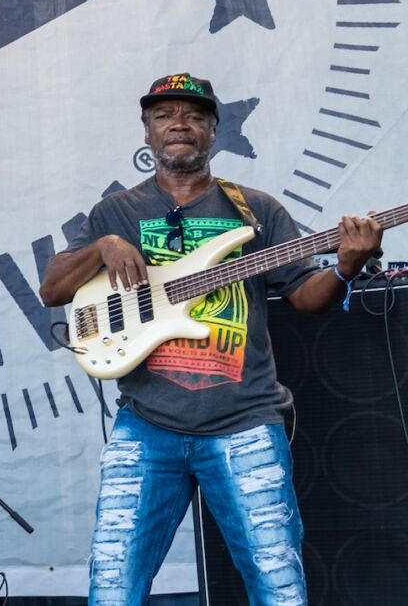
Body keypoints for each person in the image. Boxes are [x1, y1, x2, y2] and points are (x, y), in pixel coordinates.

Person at [38, 73, 383, 605]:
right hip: (145, 423)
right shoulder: (116, 213)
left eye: (194, 116)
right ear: (147, 134)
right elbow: (53, 289)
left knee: (279, 587)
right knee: (113, 586)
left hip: (245, 419)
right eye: (164, 116)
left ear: (213, 132)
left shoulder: (257, 210)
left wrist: (345, 267)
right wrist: (103, 247)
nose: (179, 124)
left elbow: (305, 298)